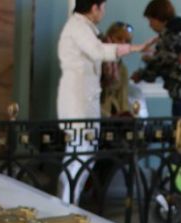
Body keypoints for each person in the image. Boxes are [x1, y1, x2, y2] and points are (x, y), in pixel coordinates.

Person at [56, 0, 153, 203]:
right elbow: (98, 51)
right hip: (79, 103)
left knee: (81, 157)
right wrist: (135, 48)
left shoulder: (84, 27)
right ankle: (66, 205)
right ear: (95, 7)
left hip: (83, 102)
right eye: (103, 7)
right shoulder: (78, 26)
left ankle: (67, 203)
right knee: (80, 158)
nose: (104, 12)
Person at [132, 0, 181, 117]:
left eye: (151, 20)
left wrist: (140, 75)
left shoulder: (169, 35)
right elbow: (174, 58)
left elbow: (159, 64)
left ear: (159, 17)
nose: (150, 25)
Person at [101, 22, 135, 118]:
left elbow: (123, 98)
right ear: (109, 38)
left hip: (114, 115)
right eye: (119, 39)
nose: (123, 43)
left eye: (127, 41)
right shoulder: (98, 61)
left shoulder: (122, 69)